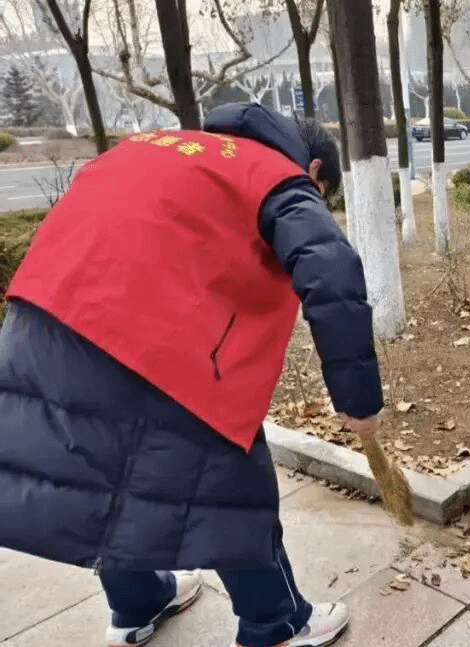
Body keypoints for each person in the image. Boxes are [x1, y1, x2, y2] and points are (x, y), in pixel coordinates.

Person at [0, 102, 383, 647]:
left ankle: (137, 603)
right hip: (157, 342)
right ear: (315, 170)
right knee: (229, 485)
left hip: (39, 325)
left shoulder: (148, 147)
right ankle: (277, 623)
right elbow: (332, 270)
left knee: (99, 469)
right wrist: (358, 400)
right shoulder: (276, 175)